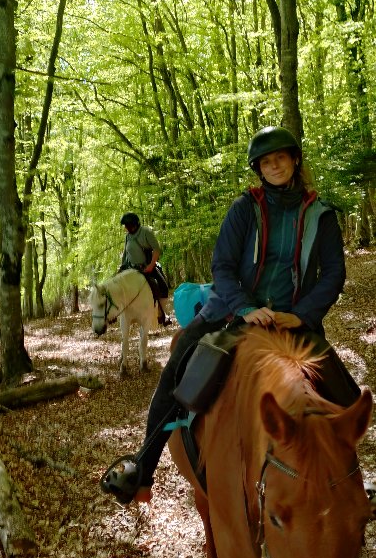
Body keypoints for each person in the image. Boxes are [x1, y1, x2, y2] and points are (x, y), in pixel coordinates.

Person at [101, 126, 360, 505]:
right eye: (266, 162)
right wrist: (246, 307)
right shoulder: (245, 209)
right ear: (259, 168)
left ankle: (350, 477)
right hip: (232, 310)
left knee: (345, 395)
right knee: (179, 365)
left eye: (280, 159)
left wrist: (303, 315)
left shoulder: (321, 214)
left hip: (295, 319)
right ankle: (143, 466)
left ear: (294, 161)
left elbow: (334, 273)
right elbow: (222, 265)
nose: (274, 166)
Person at [119, 212, 170, 325]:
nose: (126, 228)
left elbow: (156, 249)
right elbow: (125, 254)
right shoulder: (128, 236)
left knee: (162, 286)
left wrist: (151, 266)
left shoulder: (146, 232)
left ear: (134, 224)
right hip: (131, 268)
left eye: (128, 225)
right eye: (125, 226)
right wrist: (122, 267)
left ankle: (162, 314)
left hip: (146, 267)